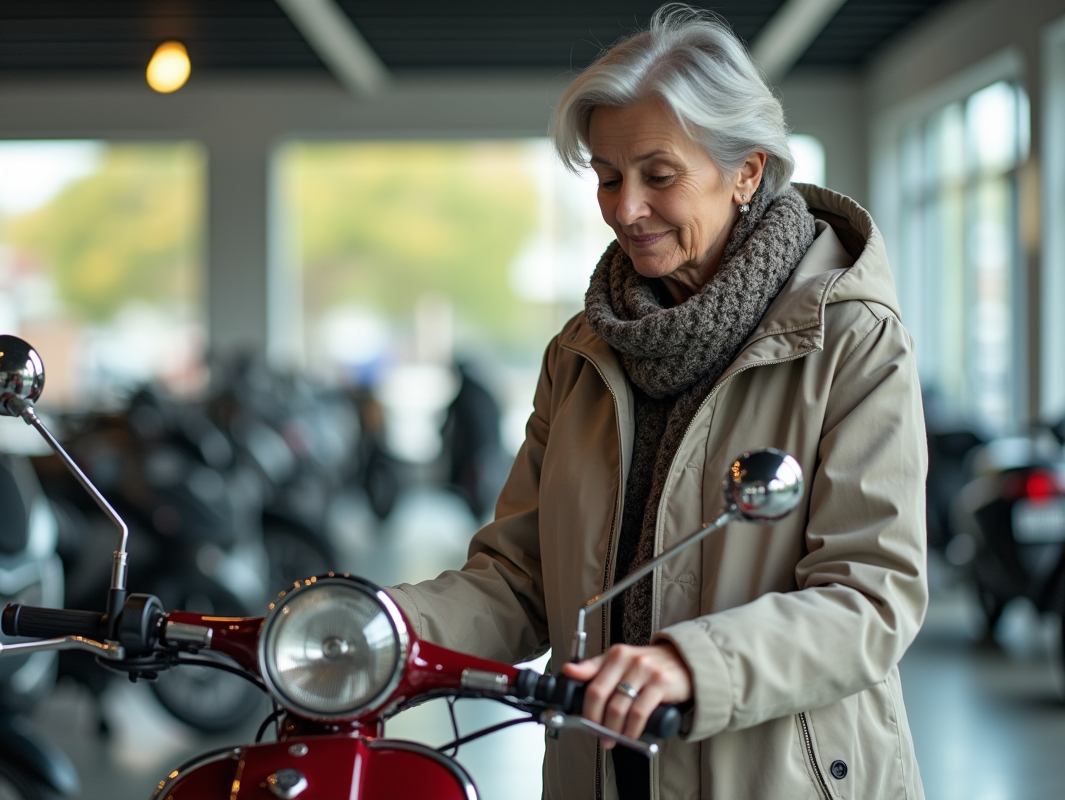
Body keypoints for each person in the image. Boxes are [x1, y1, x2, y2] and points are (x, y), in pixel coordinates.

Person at [386, 5, 928, 799]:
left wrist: (689, 665)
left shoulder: (850, 337)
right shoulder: (580, 353)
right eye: (607, 177)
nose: (624, 208)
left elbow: (871, 596)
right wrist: (381, 625)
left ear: (745, 169)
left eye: (659, 175)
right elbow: (520, 579)